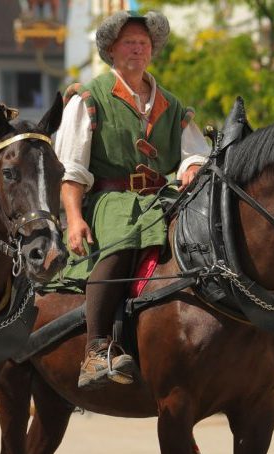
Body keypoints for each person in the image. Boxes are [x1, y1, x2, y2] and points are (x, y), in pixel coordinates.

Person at [54, 10, 208, 388]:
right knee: (123, 244)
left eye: (144, 43)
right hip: (111, 198)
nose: (138, 48)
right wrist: (74, 218)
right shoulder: (90, 98)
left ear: (152, 51)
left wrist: (190, 166)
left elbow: (195, 152)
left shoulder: (171, 104)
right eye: (129, 42)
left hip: (162, 196)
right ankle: (95, 349)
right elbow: (70, 169)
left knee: (209, 234)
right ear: (111, 49)